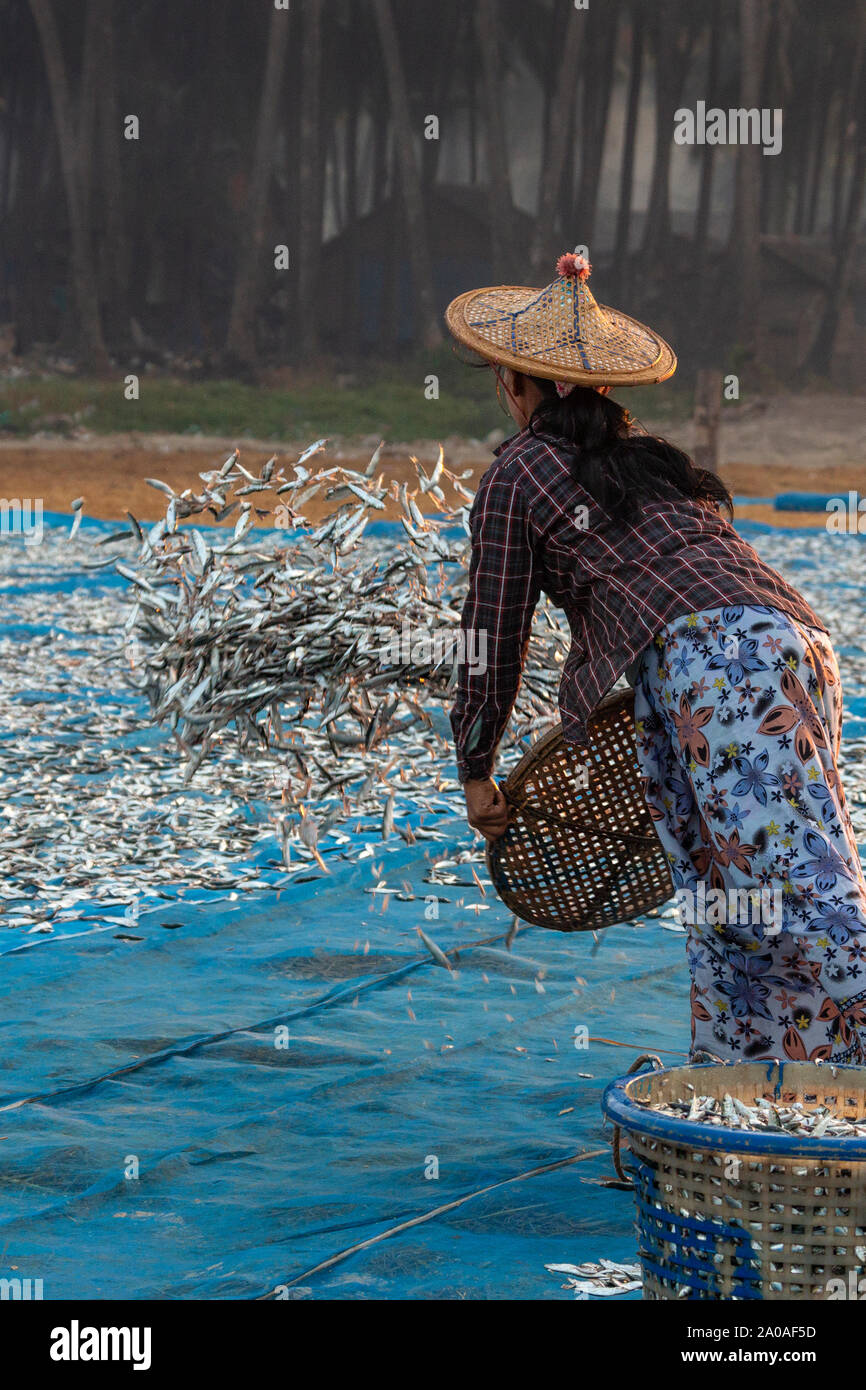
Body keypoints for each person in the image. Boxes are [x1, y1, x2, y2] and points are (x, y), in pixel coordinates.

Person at [444, 251, 866, 1064]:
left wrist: (475, 765)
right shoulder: (648, 462)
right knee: (732, 894)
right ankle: (768, 1094)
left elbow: (491, 630)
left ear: (514, 384)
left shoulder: (518, 471)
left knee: (798, 894)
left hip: (717, 667)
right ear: (604, 392)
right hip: (789, 643)